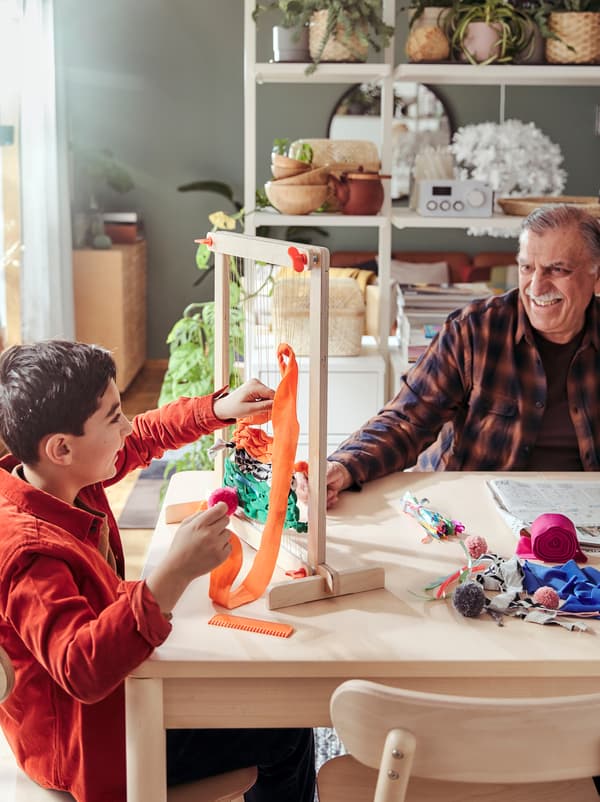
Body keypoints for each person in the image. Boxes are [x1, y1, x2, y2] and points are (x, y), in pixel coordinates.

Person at [0, 340, 315, 802]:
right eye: (113, 417)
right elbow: (82, 669)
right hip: (88, 746)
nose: (127, 425)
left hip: (112, 701)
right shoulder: (29, 554)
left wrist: (219, 409)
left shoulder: (56, 478)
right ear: (62, 447)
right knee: (287, 726)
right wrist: (172, 575)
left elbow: (144, 435)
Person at [298, 204, 600, 507]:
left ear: (596, 276)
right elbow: (407, 420)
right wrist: (342, 466)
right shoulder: (474, 330)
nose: (536, 286)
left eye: (557, 269)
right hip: (469, 510)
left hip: (583, 515)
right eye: (527, 268)